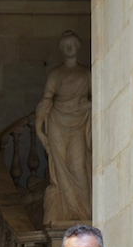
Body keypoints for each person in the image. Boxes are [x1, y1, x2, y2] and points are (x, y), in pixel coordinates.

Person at [35, 30, 92, 225]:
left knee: (78, 169)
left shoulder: (86, 74)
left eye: (72, 44)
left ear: (78, 46)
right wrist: (39, 130)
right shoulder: (55, 74)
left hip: (78, 123)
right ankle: (67, 214)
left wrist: (90, 105)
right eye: (65, 44)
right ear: (61, 48)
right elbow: (45, 102)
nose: (69, 47)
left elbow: (98, 100)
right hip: (57, 121)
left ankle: (83, 213)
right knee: (59, 171)